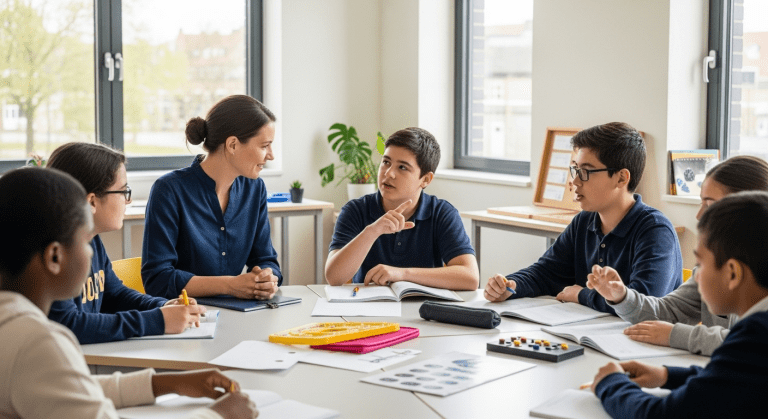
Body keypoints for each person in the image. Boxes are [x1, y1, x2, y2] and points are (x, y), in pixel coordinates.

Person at [0, 167, 257, 419]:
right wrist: (219, 415)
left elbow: (70, 390)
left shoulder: (14, 327)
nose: (91, 252)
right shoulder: (39, 344)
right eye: (83, 239)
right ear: (54, 256)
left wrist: (166, 384)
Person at [590, 191, 768, 418]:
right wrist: (667, 375)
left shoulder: (756, 334)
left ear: (732, 273)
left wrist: (611, 383)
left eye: (700, 264)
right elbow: (736, 375)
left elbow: (661, 415)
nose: (696, 275)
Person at [484, 122, 682, 313]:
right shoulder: (584, 221)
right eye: (575, 170)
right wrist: (510, 286)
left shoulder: (655, 230)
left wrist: (582, 295)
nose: (575, 181)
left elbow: (643, 301)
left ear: (621, 178)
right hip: (592, 334)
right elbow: (546, 273)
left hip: (644, 343)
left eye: (585, 172)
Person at [587, 155, 768, 355]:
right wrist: (621, 296)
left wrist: (677, 335)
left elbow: (752, 343)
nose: (699, 215)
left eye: (710, 204)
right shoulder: (714, 264)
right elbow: (668, 311)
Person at [45, 142, 206, 344]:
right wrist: (157, 320)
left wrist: (162, 307)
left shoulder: (90, 238)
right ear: (92, 201)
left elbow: (115, 295)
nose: (127, 201)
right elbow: (70, 324)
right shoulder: (54, 253)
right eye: (123, 191)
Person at [142, 95, 282, 300]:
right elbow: (158, 280)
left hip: (239, 314)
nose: (271, 155)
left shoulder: (255, 189)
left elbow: (265, 259)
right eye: (264, 146)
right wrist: (230, 285)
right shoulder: (169, 190)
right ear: (233, 144)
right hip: (184, 318)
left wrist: (268, 279)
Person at [325, 127, 479, 290]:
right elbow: (334, 278)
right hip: (368, 310)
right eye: (386, 162)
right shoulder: (355, 210)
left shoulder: (442, 213)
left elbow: (470, 277)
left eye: (402, 167)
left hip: (423, 311)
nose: (389, 173)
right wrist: (373, 231)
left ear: (425, 179)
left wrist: (402, 274)